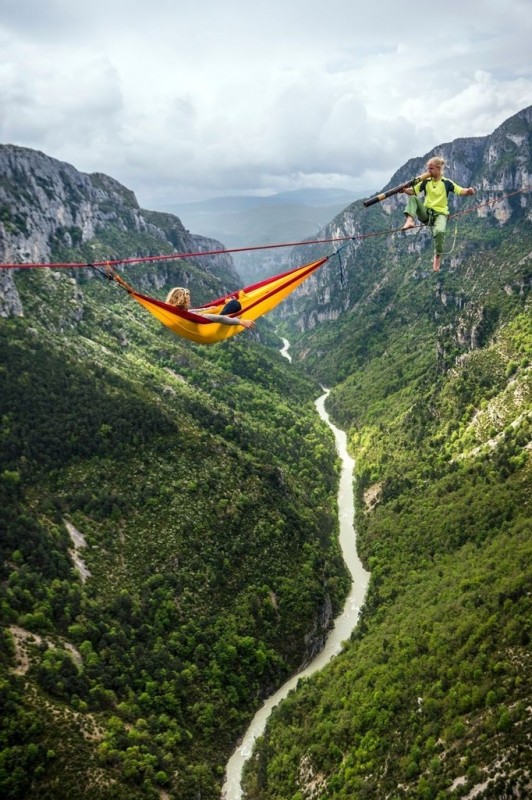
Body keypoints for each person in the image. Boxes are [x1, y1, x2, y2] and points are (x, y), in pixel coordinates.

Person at [401, 156, 475, 272]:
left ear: (439, 169)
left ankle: (437, 255)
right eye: (428, 169)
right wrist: (404, 190)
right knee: (413, 199)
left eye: (431, 169)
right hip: (427, 213)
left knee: (439, 231)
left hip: (441, 214)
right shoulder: (425, 182)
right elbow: (413, 191)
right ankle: (410, 220)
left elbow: (460, 191)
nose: (428, 171)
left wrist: (469, 191)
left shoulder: (446, 183)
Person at [165, 287, 255, 329]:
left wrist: (207, 308)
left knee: (218, 308)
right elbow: (219, 318)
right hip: (211, 325)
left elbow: (191, 311)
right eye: (188, 300)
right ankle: (228, 303)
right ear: (183, 301)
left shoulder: (175, 311)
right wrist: (241, 322)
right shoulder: (186, 315)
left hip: (205, 320)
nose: (189, 302)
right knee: (235, 304)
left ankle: (225, 305)